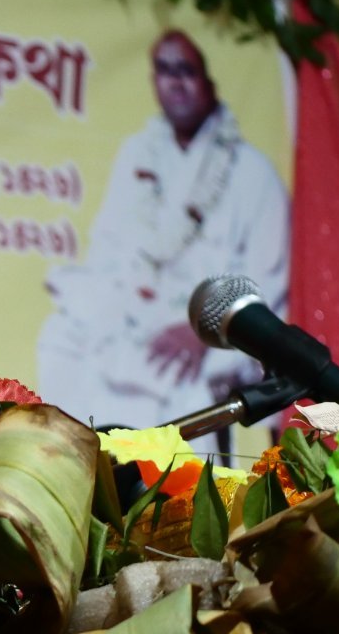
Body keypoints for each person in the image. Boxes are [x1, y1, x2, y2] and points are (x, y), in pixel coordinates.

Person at [36, 30, 290, 433]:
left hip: (211, 336)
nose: (176, 82)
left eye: (186, 71)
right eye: (164, 71)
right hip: (135, 316)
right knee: (60, 339)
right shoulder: (137, 153)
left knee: (182, 384)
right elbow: (108, 249)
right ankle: (71, 475)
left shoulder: (252, 173)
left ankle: (169, 490)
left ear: (209, 83)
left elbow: (268, 285)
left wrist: (203, 333)